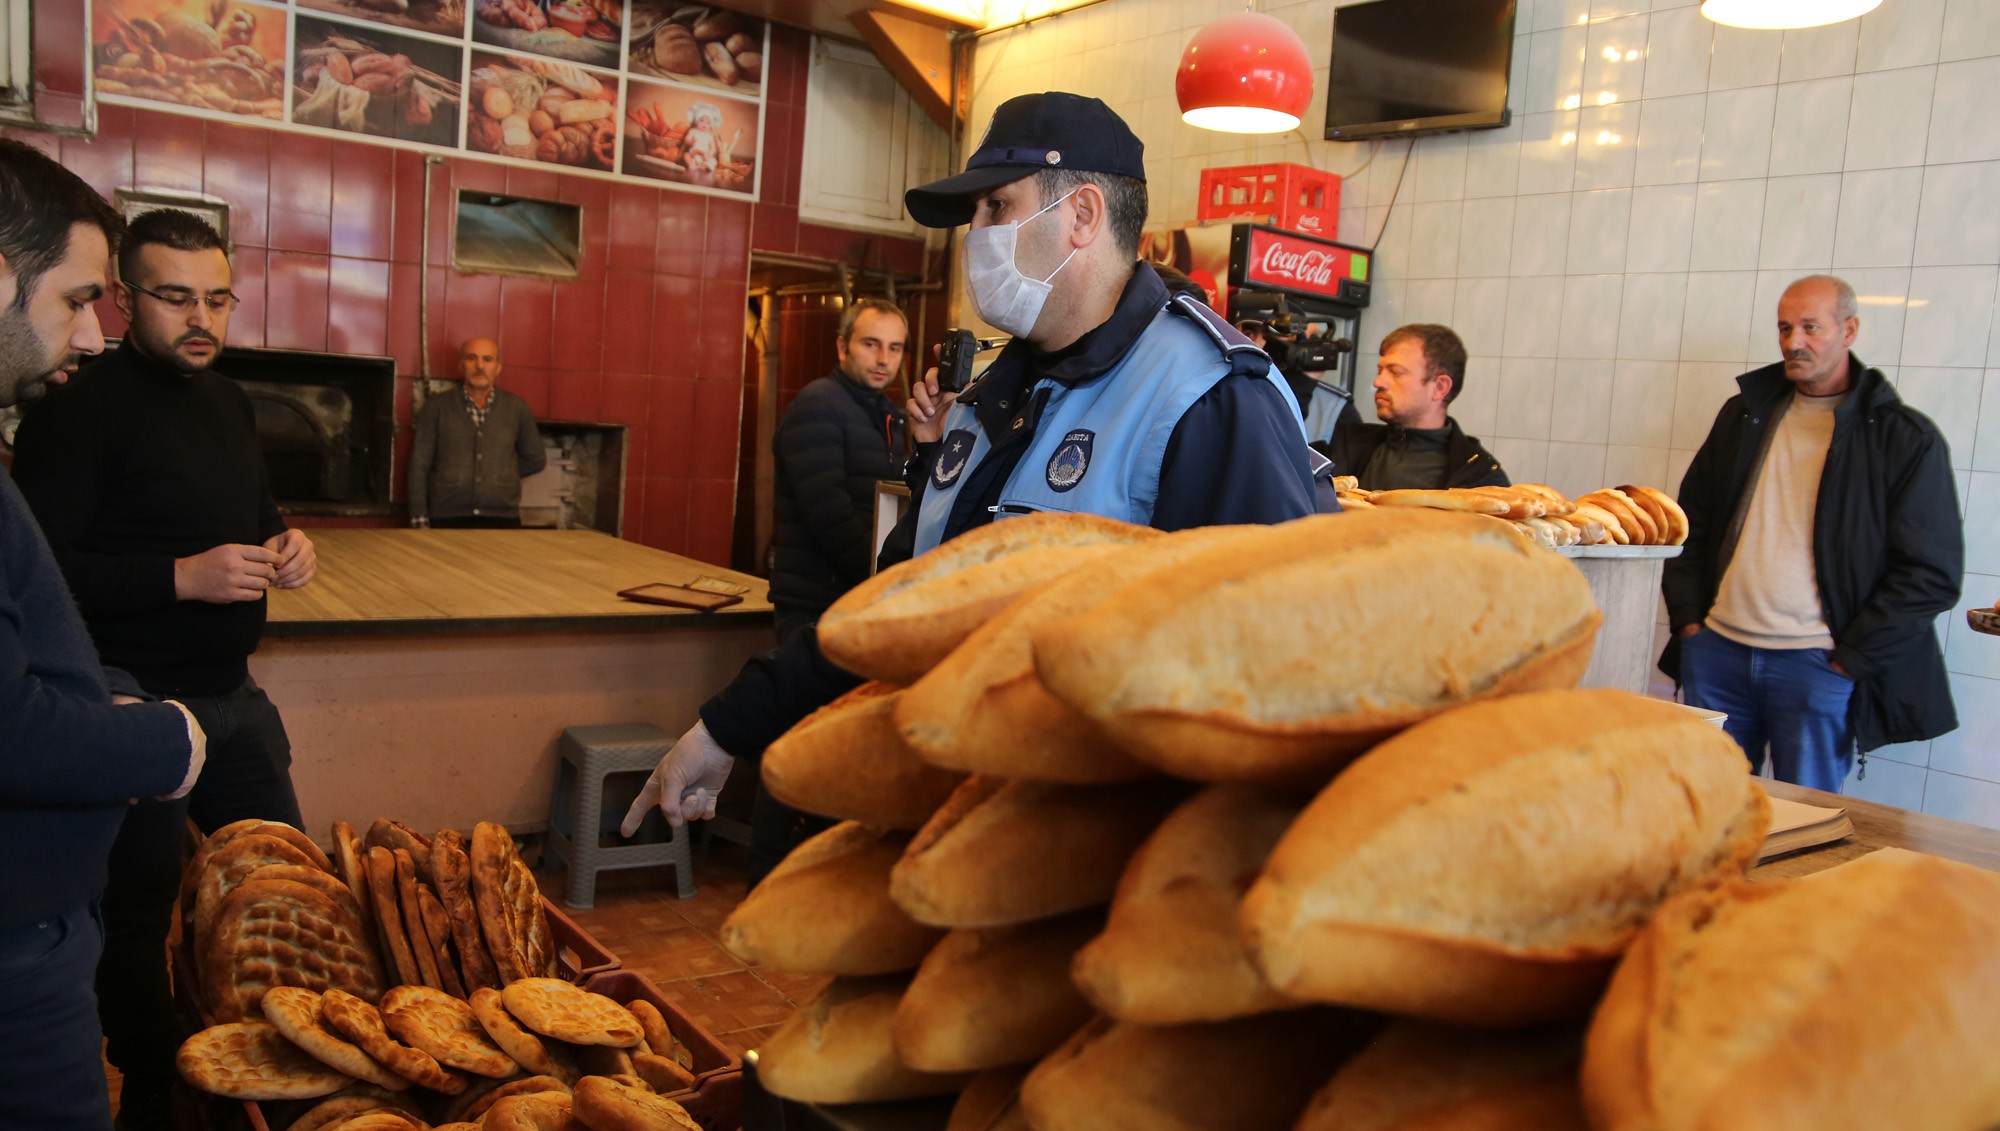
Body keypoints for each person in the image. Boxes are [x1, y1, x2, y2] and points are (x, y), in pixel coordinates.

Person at [620, 92, 1326, 867]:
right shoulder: (987, 398)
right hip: (954, 827)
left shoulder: (1210, 394)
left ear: (1082, 215)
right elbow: (896, 611)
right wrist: (728, 726)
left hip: (1100, 861)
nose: (976, 237)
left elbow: (1270, 676)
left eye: (996, 206)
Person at [11, 207, 314, 1128]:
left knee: (291, 894)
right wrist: (180, 578)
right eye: (175, 297)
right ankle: (154, 1081)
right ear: (125, 297)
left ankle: (301, 1067)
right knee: (139, 921)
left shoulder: (229, 401)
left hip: (236, 699)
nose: (201, 319)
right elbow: (47, 581)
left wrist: (285, 543)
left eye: (217, 298)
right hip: (131, 704)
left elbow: (257, 510)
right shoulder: (73, 405)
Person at [0, 140, 206, 1131]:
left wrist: (98, 685)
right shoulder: (76, 416)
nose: (88, 335)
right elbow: (9, 731)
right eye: (80, 298)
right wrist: (166, 739)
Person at [1661, 274, 1963, 792]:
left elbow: (1930, 574)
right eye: (1784, 328)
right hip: (1718, 653)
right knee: (1706, 809)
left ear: (1849, 330)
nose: (1793, 342)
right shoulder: (1744, 416)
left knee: (1806, 826)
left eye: (1810, 327)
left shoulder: (1901, 438)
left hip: (1817, 667)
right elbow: (1689, 523)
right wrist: (1691, 624)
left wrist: (1849, 662)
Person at [769, 297, 909, 643]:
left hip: (858, 597)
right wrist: (879, 578)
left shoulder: (891, 416)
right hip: (816, 600)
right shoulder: (818, 404)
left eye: (895, 348)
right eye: (871, 344)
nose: (883, 359)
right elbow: (828, 513)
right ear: (843, 346)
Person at [1321, 323, 1507, 490]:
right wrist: (1304, 380)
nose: (1378, 382)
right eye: (1380, 371)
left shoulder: (1480, 479)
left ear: (1440, 387)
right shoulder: (1347, 444)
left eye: (1396, 372)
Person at [408, 336, 547, 528]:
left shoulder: (516, 408)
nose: (479, 366)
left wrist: (501, 474)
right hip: (447, 518)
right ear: (461, 365)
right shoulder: (437, 407)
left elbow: (535, 458)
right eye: (472, 358)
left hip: (503, 520)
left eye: (487, 359)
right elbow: (418, 465)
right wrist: (419, 518)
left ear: (498, 368)